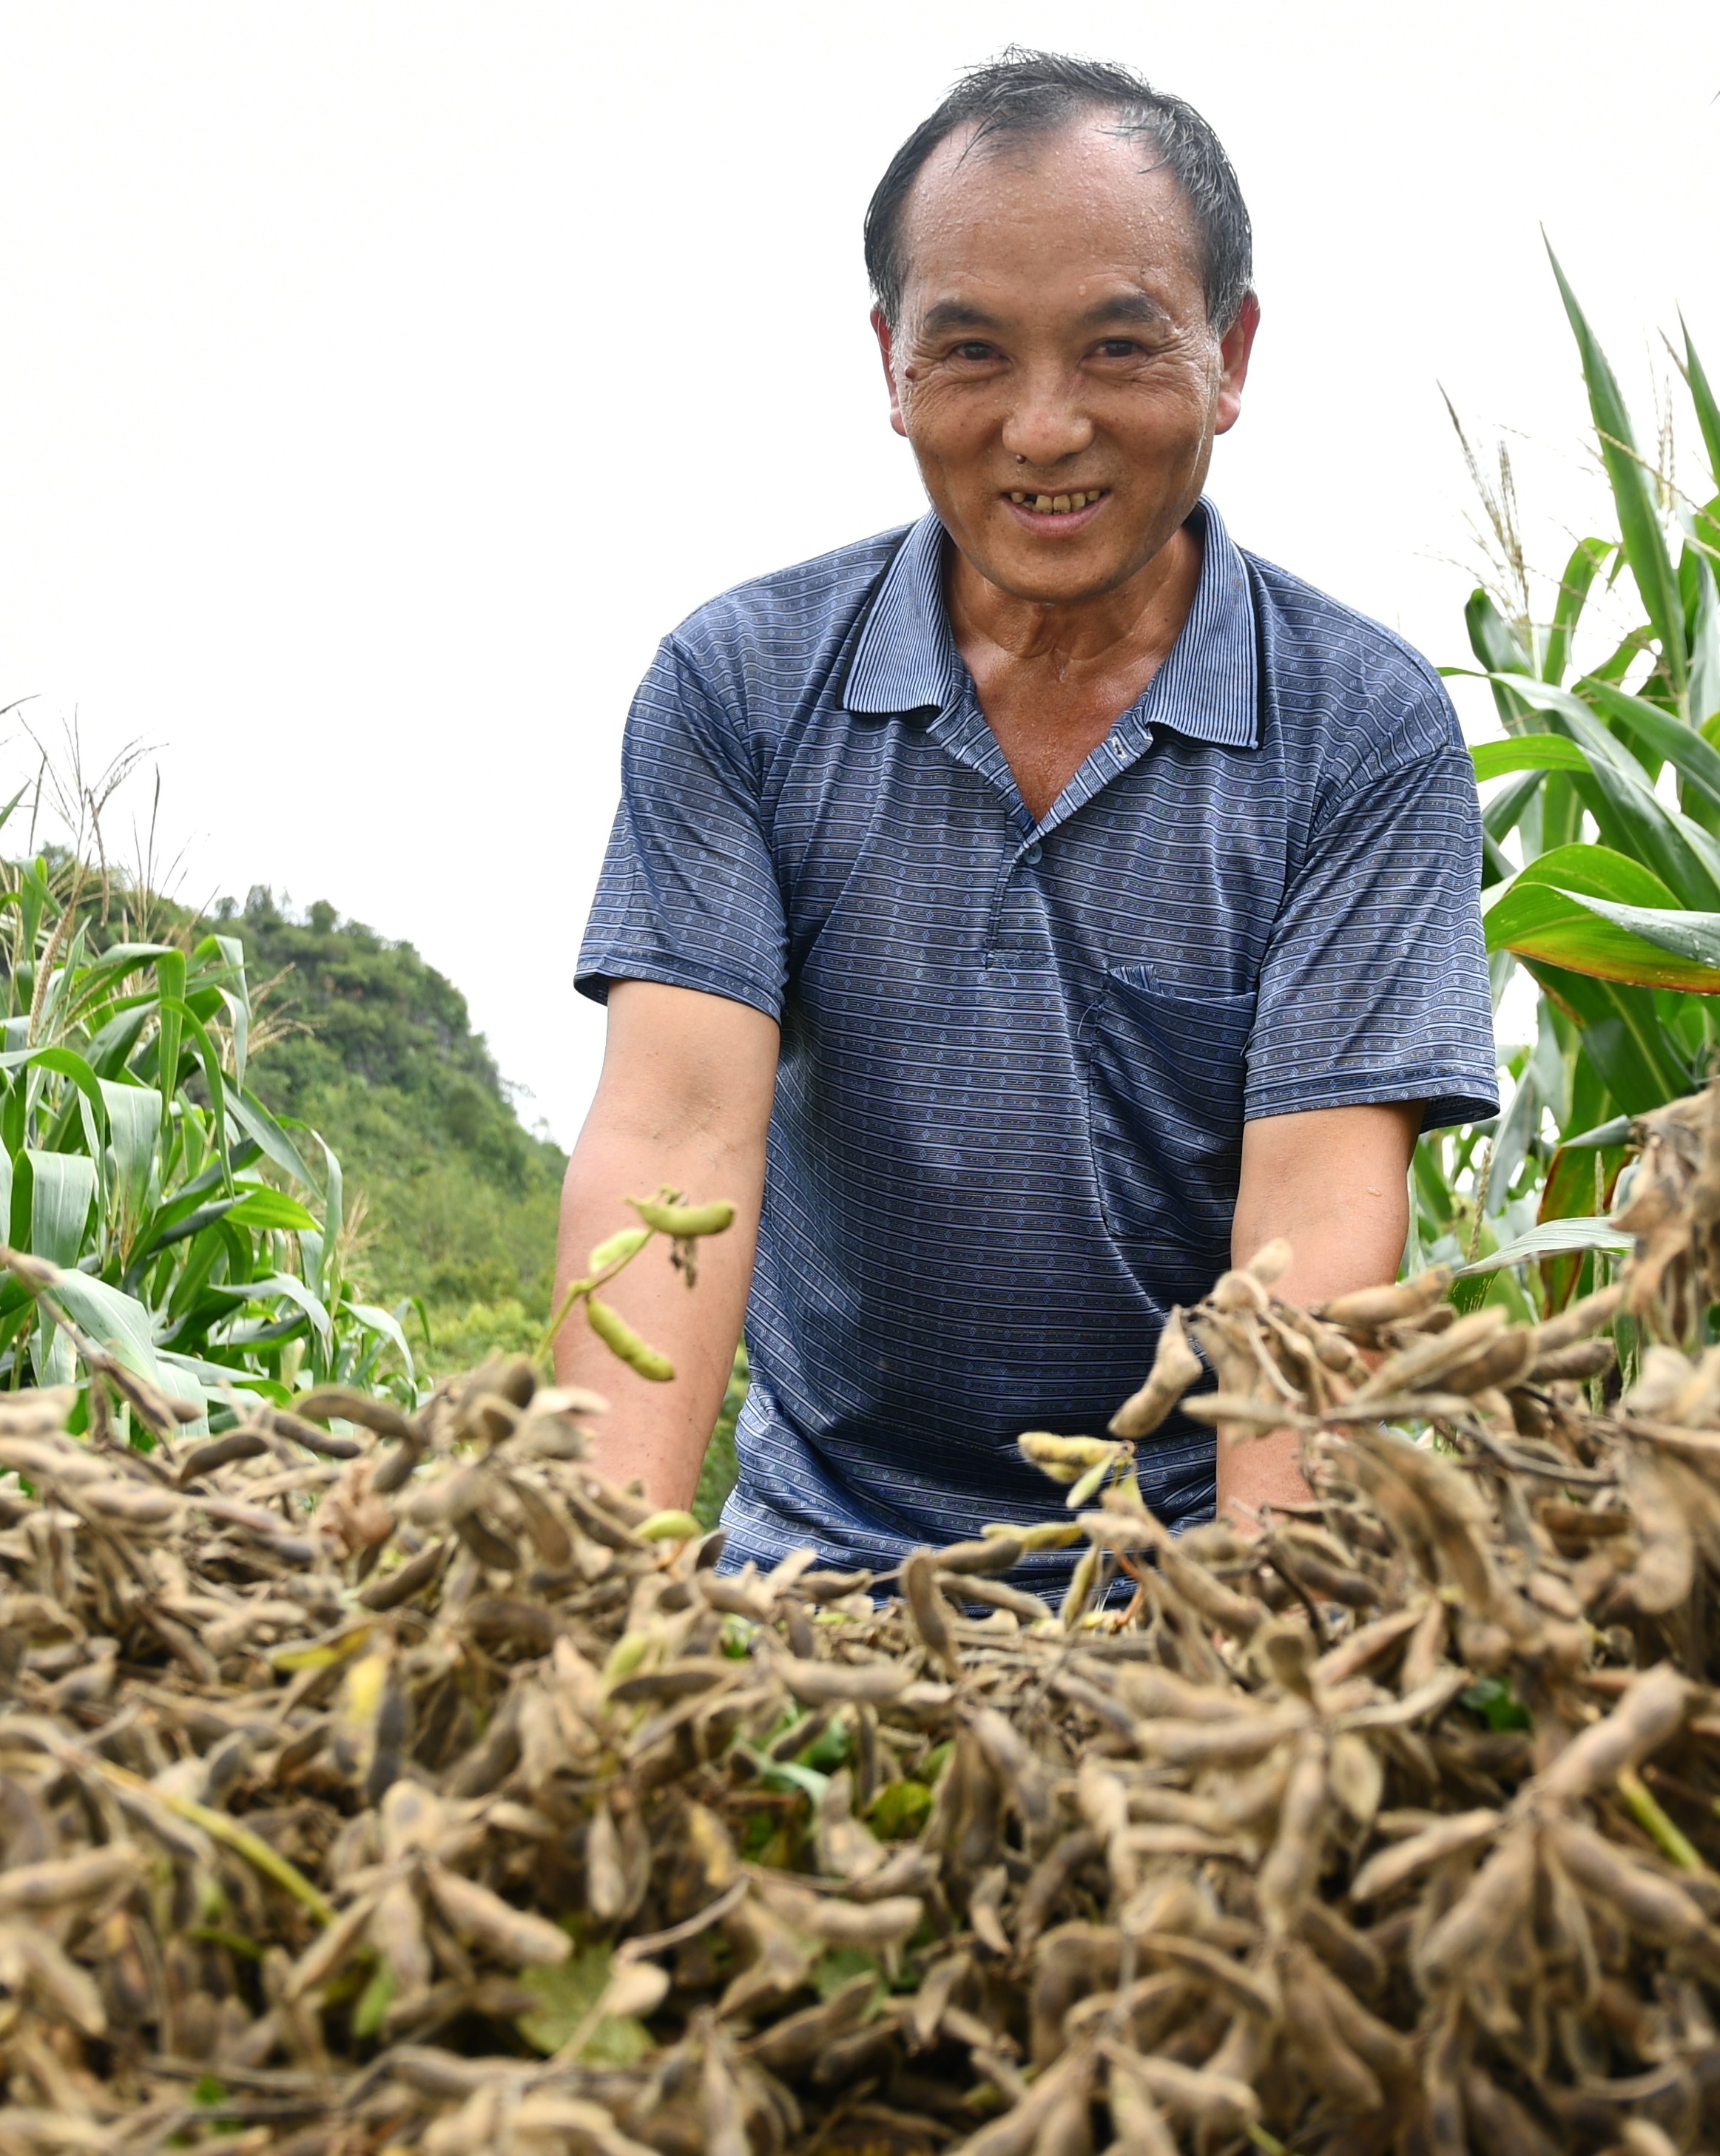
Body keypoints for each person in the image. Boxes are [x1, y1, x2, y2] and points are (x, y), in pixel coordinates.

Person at [559, 49, 1495, 1589]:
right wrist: (593, 1598)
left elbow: (1316, 1223)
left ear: (1230, 354)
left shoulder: (1359, 729)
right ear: (892, 362)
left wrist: (1256, 1671)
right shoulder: (739, 688)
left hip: (1184, 1570)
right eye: (975, 352)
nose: (1045, 429)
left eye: (1119, 348)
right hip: (812, 1568)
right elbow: (676, 1140)